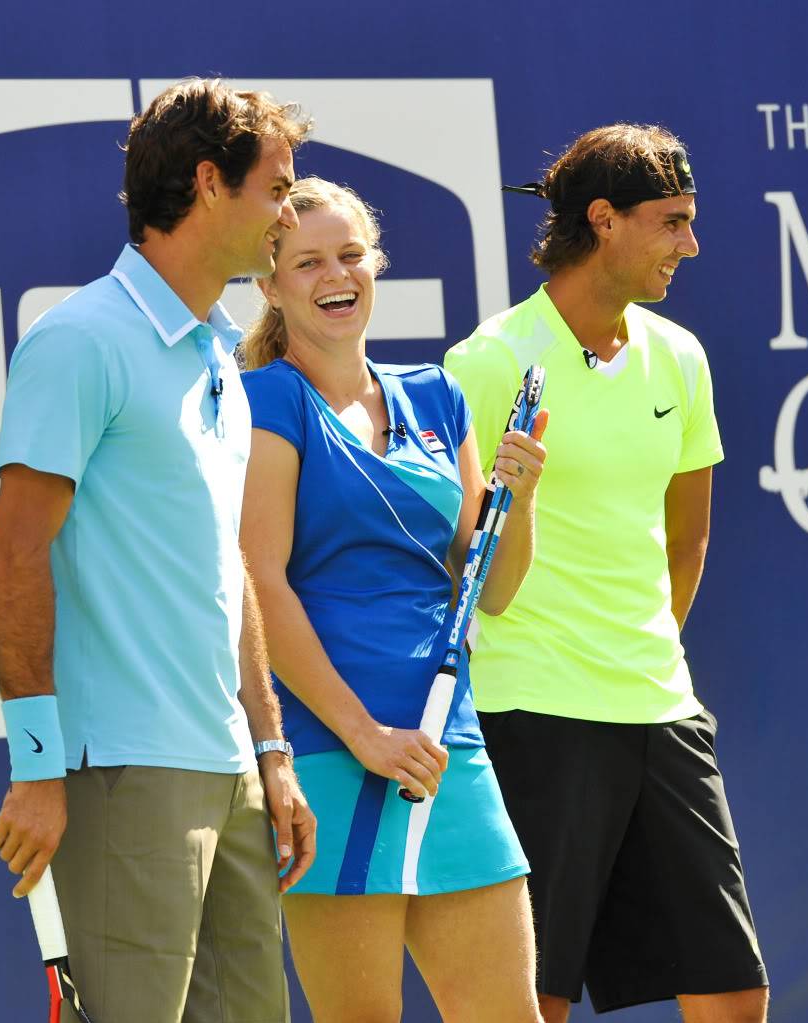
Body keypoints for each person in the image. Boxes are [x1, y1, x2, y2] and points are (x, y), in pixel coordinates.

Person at [0, 78, 317, 1023]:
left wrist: (271, 747)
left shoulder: (221, 355)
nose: (286, 214)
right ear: (210, 184)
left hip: (231, 771)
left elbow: (230, 569)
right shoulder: (80, 340)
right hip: (120, 768)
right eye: (277, 190)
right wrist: (38, 765)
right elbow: (12, 557)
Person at [445, 125, 769, 1023]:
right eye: (672, 223)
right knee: (532, 998)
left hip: (660, 706)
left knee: (733, 993)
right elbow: (461, 553)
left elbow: (684, 537)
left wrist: (640, 649)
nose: (690, 246)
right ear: (603, 221)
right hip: (532, 711)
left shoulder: (681, 356)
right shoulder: (489, 361)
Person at [239, 176, 548, 1023]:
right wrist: (363, 734)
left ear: (374, 264)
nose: (333, 276)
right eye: (305, 263)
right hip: (333, 753)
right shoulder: (268, 399)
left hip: (447, 745)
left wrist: (514, 502)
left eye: (348, 255)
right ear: (268, 286)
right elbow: (257, 583)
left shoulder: (438, 396)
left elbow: (495, 587)